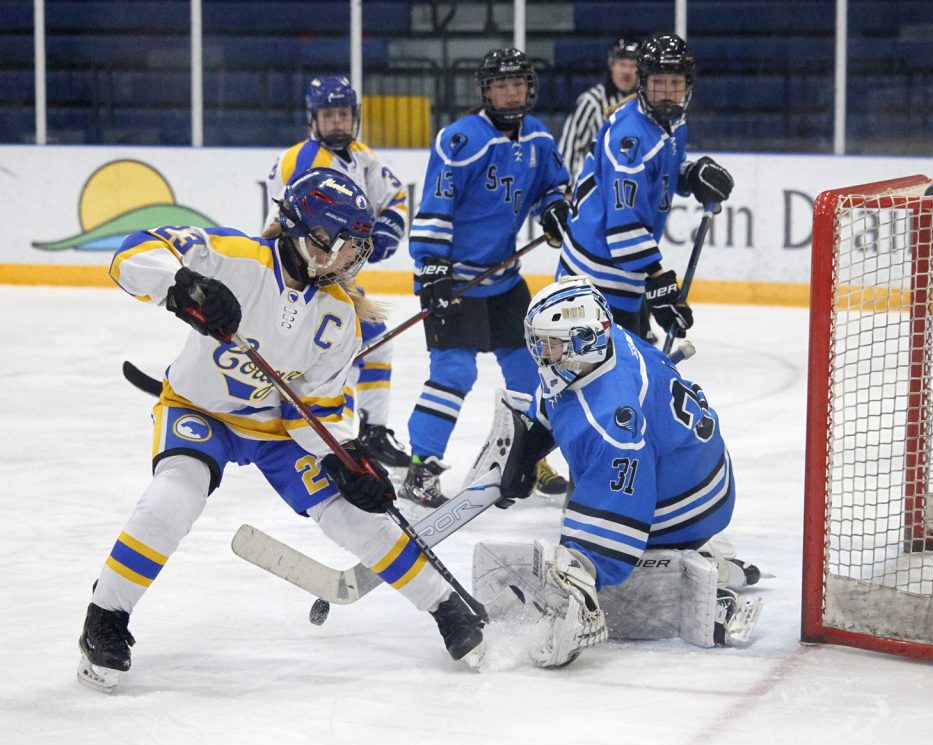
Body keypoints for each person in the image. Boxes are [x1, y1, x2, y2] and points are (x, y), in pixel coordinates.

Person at [77, 168, 484, 692]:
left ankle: (446, 607)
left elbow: (315, 406)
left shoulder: (338, 315)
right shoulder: (235, 258)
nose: (347, 258)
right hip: (198, 410)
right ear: (304, 232)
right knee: (173, 499)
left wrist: (345, 459)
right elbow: (131, 253)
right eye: (341, 243)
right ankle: (106, 617)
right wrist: (183, 288)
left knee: (352, 516)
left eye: (355, 248)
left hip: (277, 430)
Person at [501, 276, 760, 667]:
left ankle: (684, 562)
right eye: (540, 342)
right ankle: (689, 552)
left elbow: (623, 500)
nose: (543, 354)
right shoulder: (613, 338)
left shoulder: (611, 419)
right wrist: (534, 437)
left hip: (689, 504)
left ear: (583, 341)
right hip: (704, 470)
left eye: (552, 344)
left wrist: (584, 568)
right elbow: (562, 395)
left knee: (590, 551)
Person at [401, 47, 572, 508]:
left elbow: (552, 188)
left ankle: (530, 455)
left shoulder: (539, 138)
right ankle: (420, 468)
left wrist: (554, 210)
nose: (510, 92)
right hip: (455, 280)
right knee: (453, 372)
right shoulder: (460, 140)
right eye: (501, 85)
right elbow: (435, 206)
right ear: (485, 91)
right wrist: (433, 267)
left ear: (529, 88)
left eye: (517, 83)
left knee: (531, 370)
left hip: (505, 280)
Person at [265, 75, 411, 469]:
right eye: (329, 115)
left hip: (335, 276)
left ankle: (370, 432)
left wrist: (389, 227)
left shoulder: (362, 157)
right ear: (313, 118)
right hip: (300, 275)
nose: (337, 122)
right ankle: (336, 437)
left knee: (373, 341)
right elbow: (282, 226)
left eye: (343, 113)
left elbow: (396, 196)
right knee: (334, 354)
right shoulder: (300, 160)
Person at [557, 33, 734, 341]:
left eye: (675, 83)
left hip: (623, 275)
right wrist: (659, 281)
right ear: (643, 83)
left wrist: (690, 175)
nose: (667, 92)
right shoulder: (628, 139)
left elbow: (660, 174)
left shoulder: (673, 123)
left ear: (688, 85)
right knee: (608, 368)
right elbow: (624, 226)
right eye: (658, 82)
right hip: (595, 278)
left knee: (637, 362)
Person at [558, 37, 640, 186]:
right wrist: (566, 188)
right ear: (611, 66)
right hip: (594, 188)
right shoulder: (592, 101)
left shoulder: (644, 105)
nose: (627, 71)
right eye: (622, 64)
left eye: (633, 66)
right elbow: (569, 148)